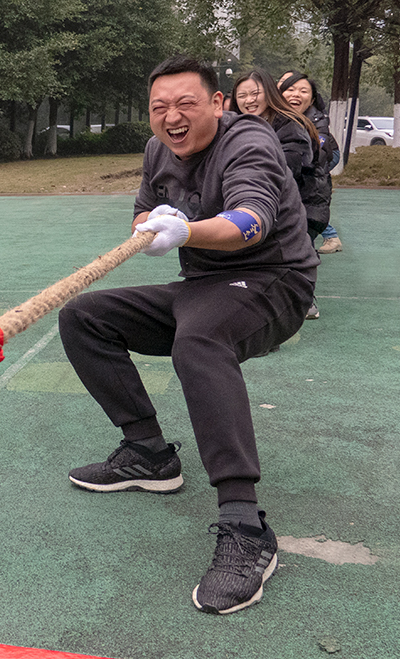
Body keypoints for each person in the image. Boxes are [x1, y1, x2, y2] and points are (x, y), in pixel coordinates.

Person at [59, 56, 318, 614]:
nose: (172, 117)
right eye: (159, 108)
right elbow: (145, 211)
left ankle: (246, 526)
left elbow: (252, 219)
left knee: (198, 342)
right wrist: (149, 227)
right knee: (84, 316)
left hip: (276, 280)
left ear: (218, 104)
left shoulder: (249, 143)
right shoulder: (159, 150)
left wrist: (190, 230)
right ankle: (149, 454)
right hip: (203, 284)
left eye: (186, 105)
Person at [231, 68, 326, 320]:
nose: (249, 100)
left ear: (270, 94)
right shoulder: (236, 125)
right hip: (263, 206)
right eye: (242, 95)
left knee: (283, 262)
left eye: (255, 93)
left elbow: (286, 169)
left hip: (295, 208)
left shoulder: (290, 126)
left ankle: (296, 303)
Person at [278, 70, 343, 254]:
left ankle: (330, 236)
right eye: (289, 89)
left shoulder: (317, 121)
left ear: (312, 99)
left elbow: (317, 154)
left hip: (311, 186)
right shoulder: (274, 117)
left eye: (303, 91)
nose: (296, 94)